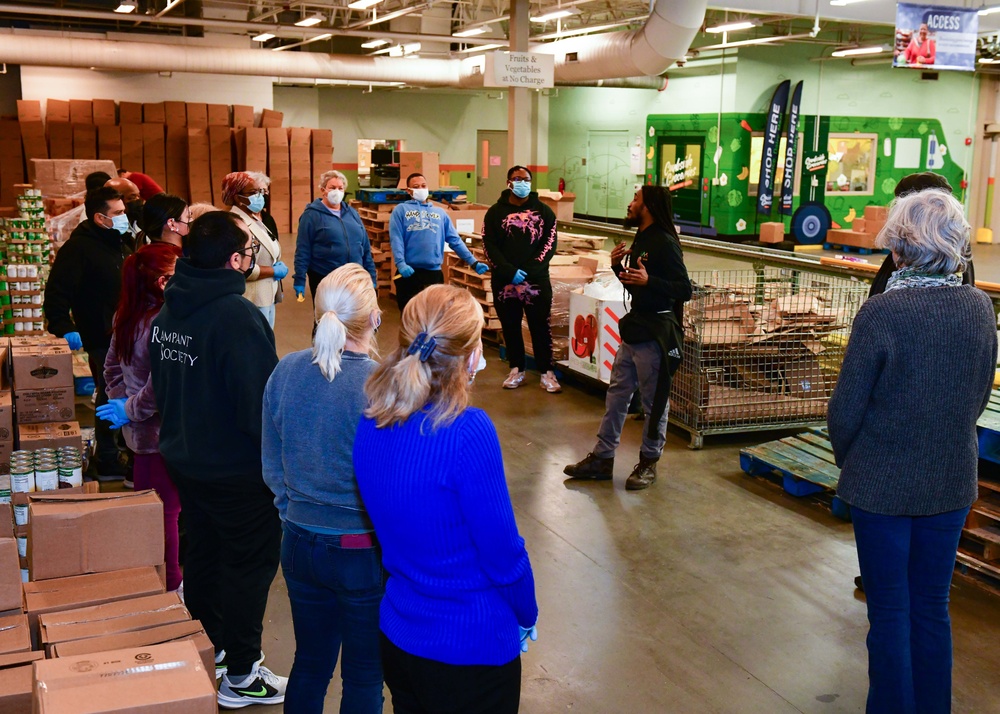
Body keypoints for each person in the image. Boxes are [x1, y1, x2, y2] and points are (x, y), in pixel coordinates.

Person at [828, 189, 996, 713]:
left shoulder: (883, 313)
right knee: (931, 608)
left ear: (899, 247)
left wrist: (851, 458)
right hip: (950, 480)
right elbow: (977, 394)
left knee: (890, 611)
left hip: (881, 487)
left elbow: (845, 411)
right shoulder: (979, 307)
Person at [354, 285, 538, 714]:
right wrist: (526, 612)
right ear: (471, 357)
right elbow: (503, 554)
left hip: (401, 635)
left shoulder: (371, 420)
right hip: (470, 651)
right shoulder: (467, 430)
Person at [149, 211, 286, 709]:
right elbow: (259, 408)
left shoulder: (170, 311)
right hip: (234, 471)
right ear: (233, 261)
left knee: (203, 556)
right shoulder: (236, 318)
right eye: (249, 252)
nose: (252, 259)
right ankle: (243, 673)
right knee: (249, 565)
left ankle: (212, 650)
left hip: (186, 461)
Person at [262, 264, 384, 714]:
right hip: (360, 549)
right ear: (374, 319)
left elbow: (271, 460)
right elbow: (394, 483)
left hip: (297, 541)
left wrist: (291, 511)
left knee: (310, 662)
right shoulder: (384, 383)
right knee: (365, 674)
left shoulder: (287, 370)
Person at [564, 186, 691, 491]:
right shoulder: (642, 237)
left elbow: (683, 288)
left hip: (656, 335)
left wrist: (652, 280)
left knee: (654, 403)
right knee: (617, 396)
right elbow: (636, 286)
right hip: (634, 330)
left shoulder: (663, 241)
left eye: (635, 199)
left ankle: (649, 463)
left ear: (648, 206)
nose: (630, 203)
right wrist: (618, 266)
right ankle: (602, 458)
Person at [98, 242, 184, 592]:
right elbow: (159, 386)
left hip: (139, 435)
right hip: (160, 437)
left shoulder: (126, 313)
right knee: (165, 514)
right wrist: (131, 408)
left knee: (156, 509)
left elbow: (110, 370)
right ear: (163, 281)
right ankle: (171, 583)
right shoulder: (161, 323)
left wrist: (122, 407)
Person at [44, 186, 134, 480]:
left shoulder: (119, 242)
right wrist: (64, 327)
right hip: (101, 337)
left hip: (126, 336)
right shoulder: (79, 248)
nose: (125, 216)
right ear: (99, 217)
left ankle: (123, 448)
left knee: (126, 395)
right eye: (118, 212)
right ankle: (107, 459)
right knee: (110, 396)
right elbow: (57, 293)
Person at [482, 166, 560, 393]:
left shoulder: (545, 212)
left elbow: (549, 245)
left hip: (536, 281)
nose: (522, 183)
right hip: (505, 282)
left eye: (526, 179)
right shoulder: (495, 213)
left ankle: (547, 372)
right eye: (517, 179)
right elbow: (489, 245)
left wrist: (529, 270)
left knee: (540, 327)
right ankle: (517, 369)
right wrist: (507, 271)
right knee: (510, 326)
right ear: (508, 182)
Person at [389, 172, 489, 311]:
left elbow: (455, 240)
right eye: (416, 186)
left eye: (423, 185)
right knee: (410, 317)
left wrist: (473, 262)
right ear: (408, 191)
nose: (421, 189)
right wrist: (400, 263)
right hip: (409, 273)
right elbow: (396, 238)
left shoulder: (440, 213)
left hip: (433, 274)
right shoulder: (401, 210)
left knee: (434, 318)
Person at [294, 170, 376, 301]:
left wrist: (371, 274)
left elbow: (365, 247)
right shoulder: (311, 215)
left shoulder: (352, 213)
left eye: (340, 188)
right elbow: (303, 249)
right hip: (325, 276)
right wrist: (300, 278)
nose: (336, 191)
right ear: (323, 190)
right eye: (332, 188)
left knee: (351, 317)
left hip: (353, 277)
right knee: (327, 317)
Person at [222, 172, 287, 329]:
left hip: (266, 296)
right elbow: (238, 266)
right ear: (237, 197)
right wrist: (272, 271)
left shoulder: (256, 220)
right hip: (252, 298)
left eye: (260, 192)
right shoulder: (234, 223)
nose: (259, 197)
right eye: (253, 193)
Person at [106, 176, 144, 248]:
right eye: (132, 198)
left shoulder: (138, 220)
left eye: (138, 196)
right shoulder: (110, 226)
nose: (137, 201)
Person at [246, 171, 280, 239]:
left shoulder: (268, 219)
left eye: (264, 191)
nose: (261, 196)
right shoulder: (238, 220)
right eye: (256, 192)